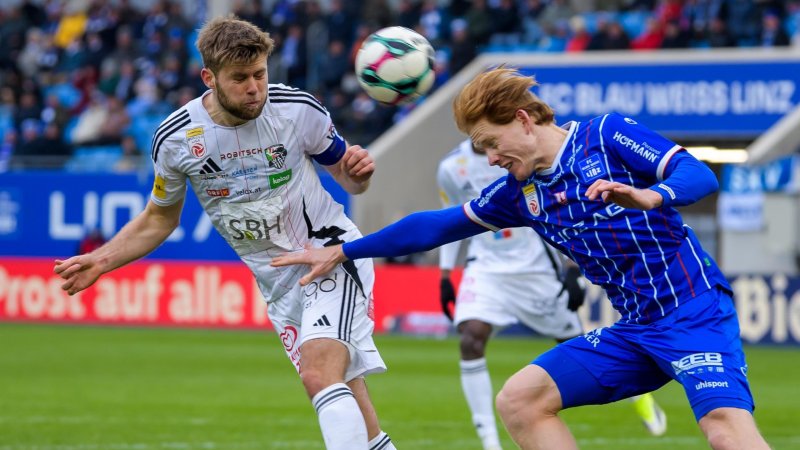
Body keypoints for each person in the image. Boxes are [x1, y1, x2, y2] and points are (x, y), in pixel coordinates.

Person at [271, 67, 770, 450]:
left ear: (524, 121)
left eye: (491, 143)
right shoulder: (518, 192)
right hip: (635, 329)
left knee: (724, 430)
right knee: (520, 401)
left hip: (692, 311)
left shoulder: (606, 135)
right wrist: (343, 249)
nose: (489, 158)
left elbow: (699, 176)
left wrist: (651, 196)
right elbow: (435, 226)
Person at [54, 17, 397, 450]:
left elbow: (348, 179)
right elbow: (160, 218)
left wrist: (356, 173)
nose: (255, 87)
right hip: (278, 284)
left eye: (260, 74)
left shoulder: (296, 109)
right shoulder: (177, 140)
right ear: (209, 78)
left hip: (329, 253)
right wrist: (101, 260)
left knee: (319, 372)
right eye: (240, 79)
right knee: (354, 407)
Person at [437, 139, 667, 449]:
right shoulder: (451, 168)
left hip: (536, 270)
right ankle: (490, 443)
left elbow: (556, 212)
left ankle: (640, 396)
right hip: (486, 269)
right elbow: (451, 220)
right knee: (471, 337)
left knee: (575, 343)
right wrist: (445, 273)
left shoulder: (520, 156)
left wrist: (572, 269)